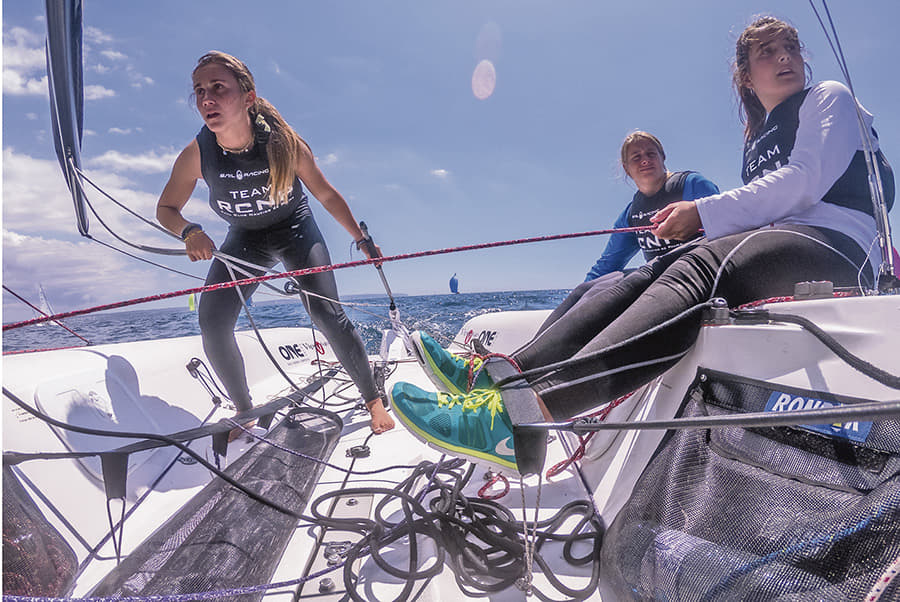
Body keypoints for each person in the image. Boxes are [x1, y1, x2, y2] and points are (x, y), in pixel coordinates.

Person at [391, 16, 894, 475]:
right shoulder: (757, 136)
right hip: (782, 242)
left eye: (790, 48)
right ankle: (499, 383)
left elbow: (804, 182)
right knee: (633, 277)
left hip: (841, 244)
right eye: (767, 52)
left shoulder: (829, 96)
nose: (784, 57)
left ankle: (522, 419)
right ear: (745, 76)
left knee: (699, 269)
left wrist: (701, 213)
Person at [156, 51, 394, 436]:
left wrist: (361, 239)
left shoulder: (284, 143)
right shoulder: (198, 154)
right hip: (245, 240)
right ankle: (246, 409)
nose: (206, 99)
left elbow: (327, 195)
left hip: (295, 229)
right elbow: (166, 208)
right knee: (212, 321)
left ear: (248, 97)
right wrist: (189, 231)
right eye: (200, 91)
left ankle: (372, 399)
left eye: (219, 88)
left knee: (325, 314)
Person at [539, 132, 719, 335]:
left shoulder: (692, 184)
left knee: (628, 285)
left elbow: (726, 232)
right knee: (588, 290)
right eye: (636, 157)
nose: (645, 160)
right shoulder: (631, 213)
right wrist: (579, 298)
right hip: (657, 279)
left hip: (697, 278)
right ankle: (534, 348)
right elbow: (608, 264)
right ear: (626, 168)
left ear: (663, 157)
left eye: (651, 153)